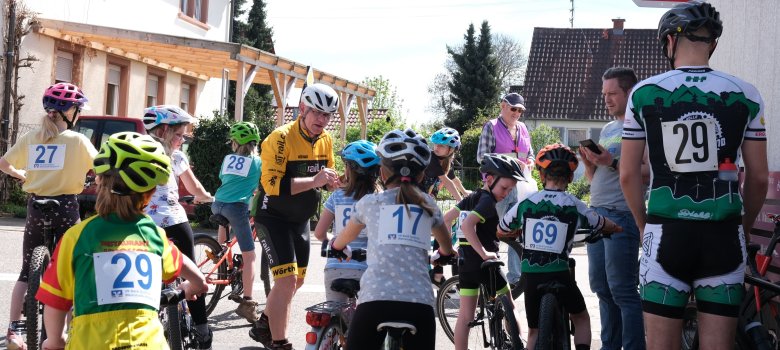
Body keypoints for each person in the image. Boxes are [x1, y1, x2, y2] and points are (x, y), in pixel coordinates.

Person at [620, 2, 768, 349]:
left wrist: (644, 227)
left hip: (665, 229)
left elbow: (628, 174)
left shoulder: (644, 93)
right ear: (712, 44)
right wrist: (742, 228)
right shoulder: (747, 94)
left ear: (670, 41)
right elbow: (759, 178)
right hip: (724, 235)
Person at [35, 131, 208, 349]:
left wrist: (55, 341)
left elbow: (55, 300)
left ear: (99, 181)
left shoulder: (77, 236)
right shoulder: (153, 234)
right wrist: (197, 284)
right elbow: (182, 263)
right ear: (150, 192)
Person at [329, 129, 457, 349]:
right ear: (421, 176)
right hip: (419, 304)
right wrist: (443, 256)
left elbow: (341, 241)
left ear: (383, 173)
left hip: (375, 300)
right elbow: (447, 249)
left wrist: (337, 247)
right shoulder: (429, 206)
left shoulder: (370, 203)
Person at [0, 82, 98, 350]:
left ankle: (14, 332)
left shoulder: (33, 136)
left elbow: (4, 163)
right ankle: (65, 333)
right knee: (71, 270)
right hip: (66, 208)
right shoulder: (78, 140)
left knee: (25, 270)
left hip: (35, 205)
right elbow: (101, 168)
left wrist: (24, 176)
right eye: (77, 110)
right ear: (70, 112)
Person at [500, 143, 622, 350]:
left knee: (534, 332)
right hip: (559, 274)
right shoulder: (574, 204)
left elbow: (502, 227)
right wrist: (616, 228)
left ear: (541, 174)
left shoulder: (527, 202)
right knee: (581, 318)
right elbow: (600, 222)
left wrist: (514, 232)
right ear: (571, 177)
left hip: (531, 275)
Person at [249, 83, 341, 350]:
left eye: (328, 115)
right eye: (317, 113)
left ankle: (265, 322)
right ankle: (279, 342)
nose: (322, 120)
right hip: (272, 215)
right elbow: (273, 185)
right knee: (286, 280)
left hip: (300, 220)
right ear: (302, 109)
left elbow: (325, 177)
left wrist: (332, 182)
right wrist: (315, 180)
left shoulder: (325, 140)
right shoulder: (280, 138)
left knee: (296, 282)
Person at [579, 67, 647, 350]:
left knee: (623, 290)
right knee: (602, 289)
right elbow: (595, 178)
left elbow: (649, 173)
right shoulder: (607, 129)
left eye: (613, 93)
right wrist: (590, 163)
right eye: (604, 94)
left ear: (629, 92)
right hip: (597, 215)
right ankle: (610, 345)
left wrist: (612, 162)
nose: (606, 99)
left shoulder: (643, 126)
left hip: (622, 216)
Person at [143, 105, 215, 349]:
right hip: (174, 222)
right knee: (192, 274)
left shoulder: (138, 150)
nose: (182, 140)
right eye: (179, 135)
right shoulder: (175, 157)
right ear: (164, 130)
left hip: (143, 226)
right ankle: (203, 331)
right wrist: (208, 197)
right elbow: (195, 189)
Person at [443, 153, 524, 350]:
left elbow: (446, 219)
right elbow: (470, 226)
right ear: (488, 178)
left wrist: (450, 248)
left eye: (510, 189)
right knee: (510, 307)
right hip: (486, 265)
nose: (506, 193)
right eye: (504, 188)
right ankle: (517, 343)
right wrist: (484, 253)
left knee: (465, 316)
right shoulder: (487, 202)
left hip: (466, 265)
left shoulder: (471, 198)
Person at [477, 92, 535, 285]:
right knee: (494, 233)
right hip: (498, 189)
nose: (517, 113)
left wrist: (531, 162)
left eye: (520, 110)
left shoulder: (523, 128)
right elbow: (482, 157)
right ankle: (490, 276)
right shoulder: (491, 127)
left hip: (522, 187)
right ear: (502, 106)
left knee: (515, 232)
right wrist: (511, 162)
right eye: (513, 108)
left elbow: (531, 153)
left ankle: (515, 279)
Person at [313, 140, 381, 302]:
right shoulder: (380, 199)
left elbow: (319, 233)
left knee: (334, 316)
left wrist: (336, 241)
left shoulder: (337, 196)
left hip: (336, 266)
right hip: (368, 268)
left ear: (350, 170)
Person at [211, 121, 262, 322]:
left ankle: (221, 256)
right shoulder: (258, 162)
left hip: (218, 203)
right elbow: (261, 183)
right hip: (237, 208)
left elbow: (224, 177)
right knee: (250, 257)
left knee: (223, 223)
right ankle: (248, 303)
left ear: (234, 143)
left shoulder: (227, 159)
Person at [423, 127, 470, 286]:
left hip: (427, 202)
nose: (436, 147)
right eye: (435, 144)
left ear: (451, 150)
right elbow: (448, 184)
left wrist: (465, 193)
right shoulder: (431, 158)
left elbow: (454, 179)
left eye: (441, 145)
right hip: (419, 201)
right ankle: (437, 274)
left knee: (440, 232)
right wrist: (461, 201)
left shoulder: (444, 162)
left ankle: (437, 273)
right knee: (441, 231)